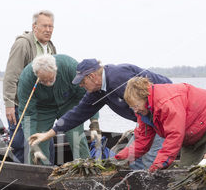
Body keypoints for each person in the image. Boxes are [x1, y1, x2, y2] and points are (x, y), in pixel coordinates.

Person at [28, 58, 172, 169]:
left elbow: (150, 102)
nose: (81, 86)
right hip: (147, 121)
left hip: (163, 115)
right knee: (132, 160)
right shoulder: (98, 91)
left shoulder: (117, 78)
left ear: (92, 77)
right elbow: (77, 114)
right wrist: (48, 134)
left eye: (83, 82)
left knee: (148, 161)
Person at [114, 77, 206, 171]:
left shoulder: (165, 103)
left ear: (145, 97)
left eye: (136, 106)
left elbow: (174, 136)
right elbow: (141, 141)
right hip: (191, 135)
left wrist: (157, 166)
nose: (135, 111)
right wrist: (120, 160)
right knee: (185, 172)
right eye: (132, 107)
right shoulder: (143, 111)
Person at [17, 54, 92, 164]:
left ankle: (86, 167)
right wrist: (33, 145)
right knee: (39, 141)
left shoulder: (70, 66)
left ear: (55, 69)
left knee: (76, 137)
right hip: (43, 109)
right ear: (36, 74)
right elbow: (27, 115)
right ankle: (38, 173)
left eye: (51, 79)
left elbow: (88, 95)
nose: (48, 84)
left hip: (69, 103)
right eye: (43, 81)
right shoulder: (26, 79)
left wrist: (94, 120)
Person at [2, 10, 56, 162]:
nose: (48, 30)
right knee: (21, 144)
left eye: (51, 26)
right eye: (44, 26)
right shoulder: (22, 44)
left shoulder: (51, 47)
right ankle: (19, 180)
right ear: (34, 27)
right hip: (21, 106)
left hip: (43, 108)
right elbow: (11, 77)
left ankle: (46, 177)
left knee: (46, 143)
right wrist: (9, 105)